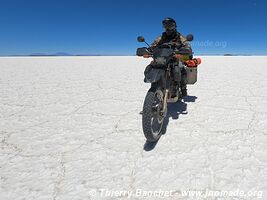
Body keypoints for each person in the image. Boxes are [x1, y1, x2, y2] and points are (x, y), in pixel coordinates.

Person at [150, 17, 192, 97]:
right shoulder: (161, 37)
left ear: (174, 26)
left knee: (181, 69)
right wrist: (148, 50)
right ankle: (155, 87)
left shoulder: (180, 36)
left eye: (170, 25)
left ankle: (183, 88)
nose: (168, 27)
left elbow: (187, 44)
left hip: (176, 56)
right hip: (162, 57)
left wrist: (185, 50)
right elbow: (154, 45)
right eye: (165, 25)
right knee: (152, 66)